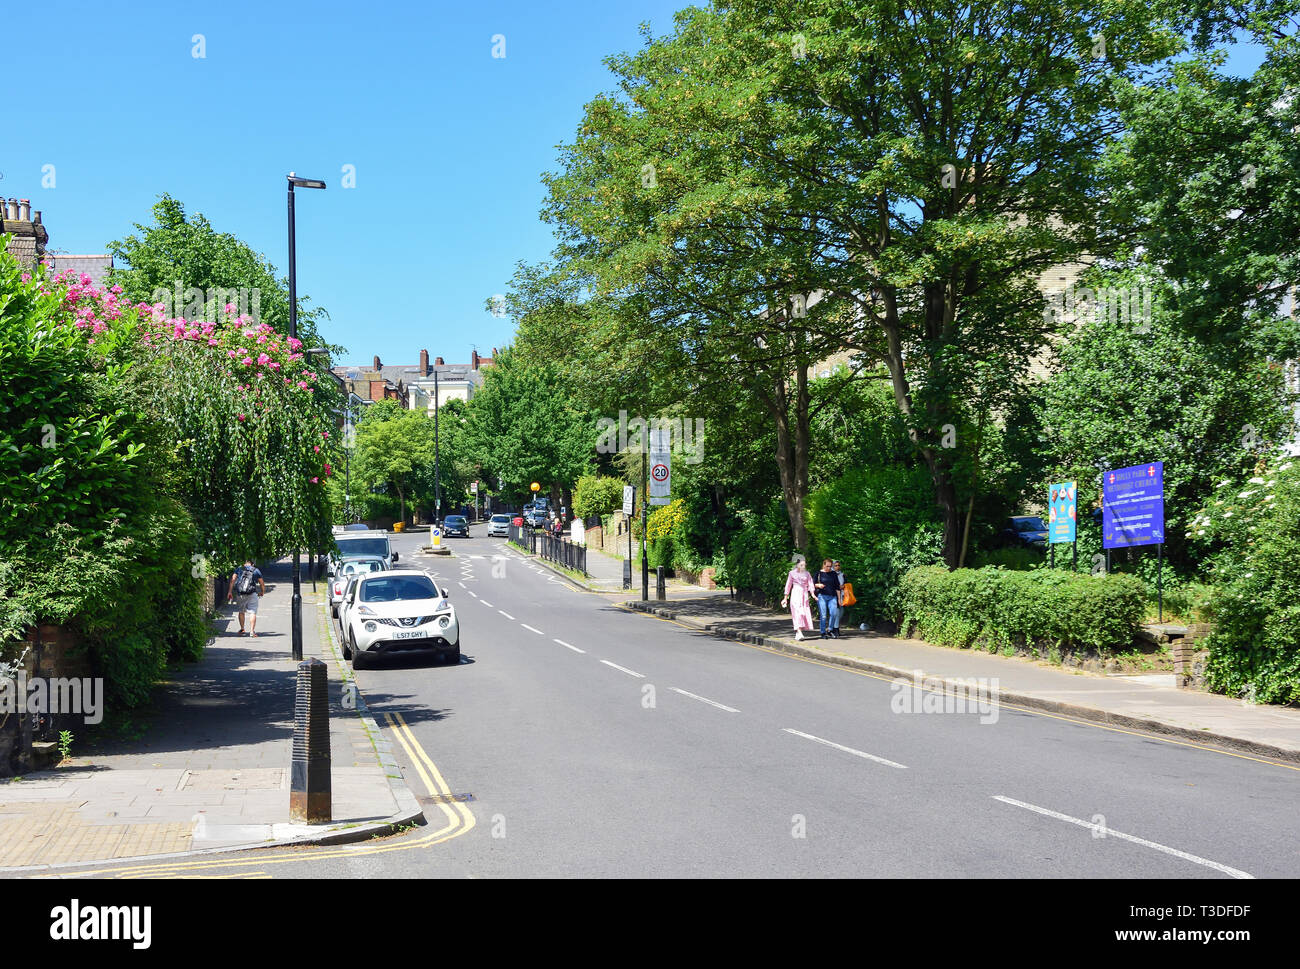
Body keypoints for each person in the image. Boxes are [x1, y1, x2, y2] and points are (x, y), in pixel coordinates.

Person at [226, 560, 266, 636]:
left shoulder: (239, 569)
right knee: (252, 612)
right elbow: (262, 583)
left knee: (241, 611)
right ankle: (252, 631)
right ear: (252, 564)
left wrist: (230, 592)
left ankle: (242, 629)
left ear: (244, 563)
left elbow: (232, 580)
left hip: (240, 593)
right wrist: (262, 592)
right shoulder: (255, 570)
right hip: (252, 593)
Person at [781, 558, 815, 641]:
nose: (803, 566)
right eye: (801, 565)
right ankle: (799, 631)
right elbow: (788, 585)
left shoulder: (807, 574)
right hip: (796, 593)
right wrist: (785, 598)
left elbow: (810, 584)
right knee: (797, 612)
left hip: (804, 594)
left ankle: (798, 632)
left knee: (803, 613)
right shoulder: (792, 573)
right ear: (797, 565)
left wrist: (813, 594)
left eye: (804, 565)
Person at [813, 558, 842, 639]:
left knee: (833, 613)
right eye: (827, 566)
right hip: (822, 596)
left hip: (832, 596)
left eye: (830, 566)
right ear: (823, 565)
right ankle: (823, 632)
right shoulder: (818, 573)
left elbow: (837, 587)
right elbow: (812, 583)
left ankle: (830, 630)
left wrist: (839, 599)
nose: (829, 568)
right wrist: (818, 585)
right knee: (823, 616)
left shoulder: (833, 574)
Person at [831, 559, 847, 637]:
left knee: (841, 612)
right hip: (834, 595)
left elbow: (846, 583)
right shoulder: (830, 574)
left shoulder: (842, 574)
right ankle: (836, 630)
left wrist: (843, 586)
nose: (837, 567)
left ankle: (833, 628)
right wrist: (837, 587)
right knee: (837, 612)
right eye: (835, 565)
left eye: (838, 565)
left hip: (842, 595)